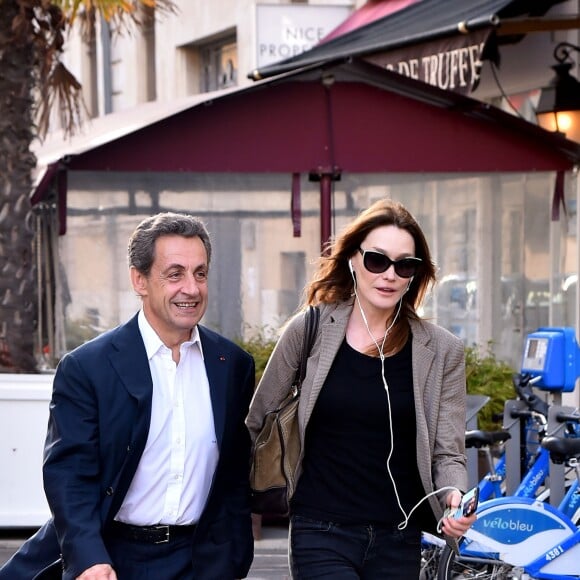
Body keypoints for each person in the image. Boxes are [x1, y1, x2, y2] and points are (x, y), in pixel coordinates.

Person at [0, 212, 255, 580]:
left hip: (201, 561)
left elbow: (232, 477)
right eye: (175, 274)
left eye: (200, 273)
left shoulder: (231, 365)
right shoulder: (88, 367)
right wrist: (88, 557)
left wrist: (231, 558)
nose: (192, 288)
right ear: (140, 280)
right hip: (113, 557)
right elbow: (70, 476)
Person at [246, 198, 476, 579]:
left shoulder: (442, 350)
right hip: (321, 531)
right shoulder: (310, 330)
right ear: (353, 259)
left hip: (398, 538)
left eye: (404, 265)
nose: (389, 274)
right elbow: (257, 423)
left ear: (414, 275)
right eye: (377, 260)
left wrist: (453, 497)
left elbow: (448, 453)